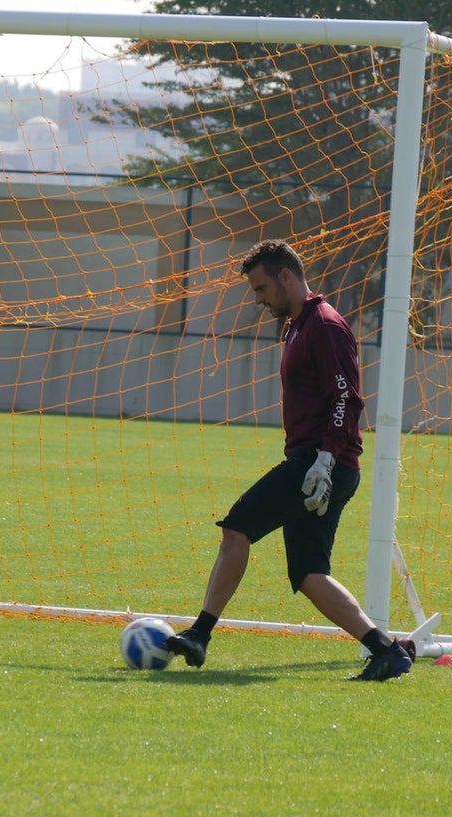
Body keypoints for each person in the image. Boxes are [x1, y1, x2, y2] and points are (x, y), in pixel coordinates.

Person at [165, 239, 413, 682]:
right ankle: (386, 650)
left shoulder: (324, 324)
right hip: (324, 463)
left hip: (319, 463)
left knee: (238, 527)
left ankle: (199, 634)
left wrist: (323, 460)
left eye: (261, 289)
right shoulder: (297, 325)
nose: (258, 300)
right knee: (309, 573)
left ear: (285, 277)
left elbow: (347, 398)